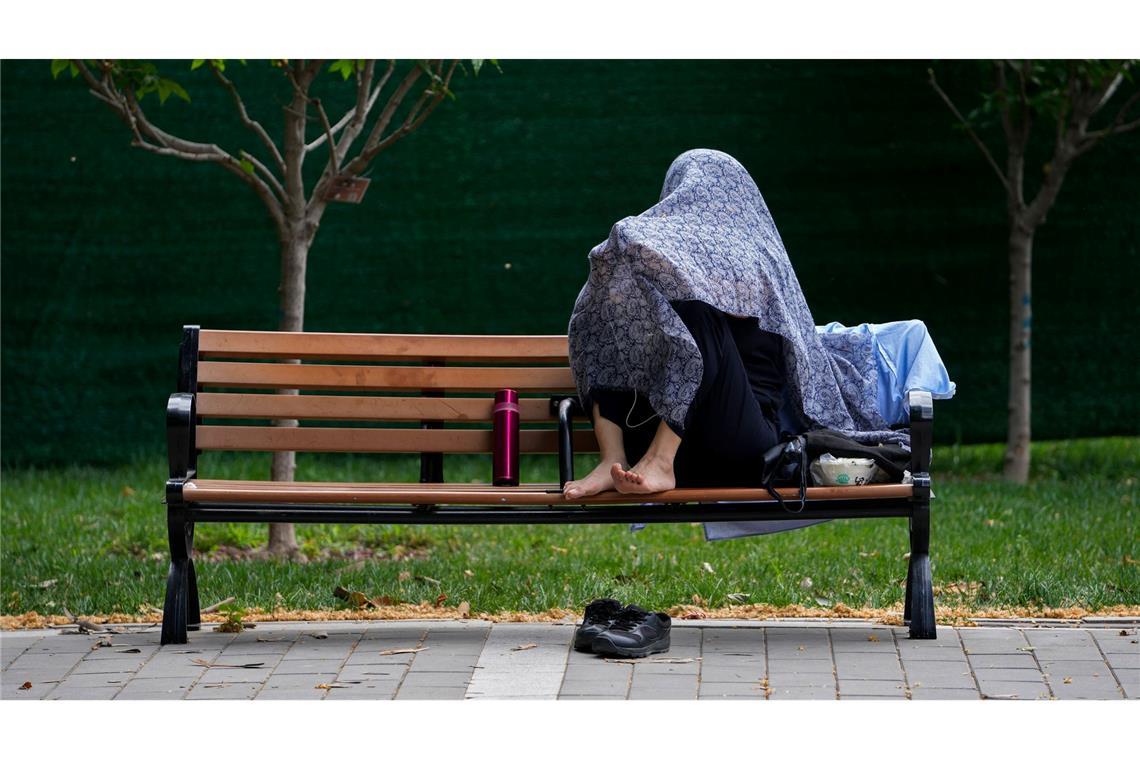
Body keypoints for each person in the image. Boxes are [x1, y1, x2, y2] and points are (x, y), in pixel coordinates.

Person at [564, 148, 908, 500]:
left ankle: (661, 460)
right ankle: (611, 459)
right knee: (609, 307)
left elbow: (726, 300)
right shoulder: (669, 267)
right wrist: (614, 273)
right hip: (670, 446)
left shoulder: (758, 262)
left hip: (743, 444)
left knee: (699, 314)